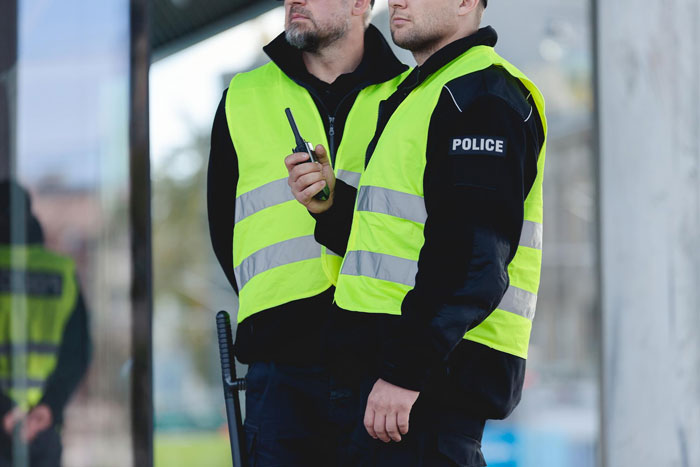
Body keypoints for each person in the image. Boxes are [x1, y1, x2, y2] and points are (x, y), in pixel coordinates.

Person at [286, 0, 547, 465]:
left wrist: (406, 372)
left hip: (422, 398)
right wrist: (331, 206)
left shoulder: (481, 96)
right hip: (392, 392)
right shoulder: (426, 93)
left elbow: (473, 262)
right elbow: (398, 242)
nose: (397, 0)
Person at [207, 0, 408, 464]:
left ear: (361, 4)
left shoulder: (411, 95)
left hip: (383, 369)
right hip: (282, 371)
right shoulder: (243, 97)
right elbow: (226, 232)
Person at [0, 180, 91, 467]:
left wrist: (6, 410)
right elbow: (78, 352)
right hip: (43, 428)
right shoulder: (60, 271)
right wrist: (48, 407)